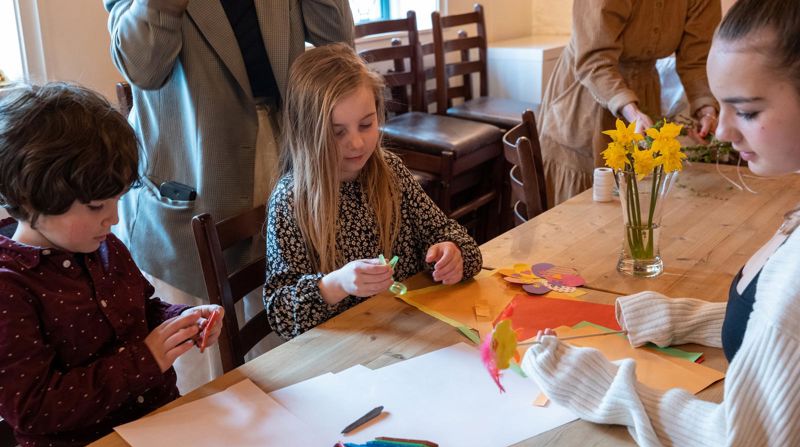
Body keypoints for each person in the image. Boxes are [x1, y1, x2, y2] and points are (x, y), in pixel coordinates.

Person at [522, 0, 800, 445]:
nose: (726, 132)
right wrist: (680, 316)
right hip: (592, 104)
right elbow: (775, 325)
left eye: (745, 111)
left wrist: (600, 386)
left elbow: (737, 435)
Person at [104, 0, 354, 390]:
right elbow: (144, 69)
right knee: (202, 365)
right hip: (192, 170)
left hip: (284, 152)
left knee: (279, 338)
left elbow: (336, 42)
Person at [0, 83, 224, 447]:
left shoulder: (102, 245)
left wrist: (182, 321)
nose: (114, 219)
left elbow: (144, 309)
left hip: (162, 426)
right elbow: (32, 408)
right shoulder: (10, 287)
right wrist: (145, 359)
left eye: (117, 201)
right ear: (30, 195)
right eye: (95, 207)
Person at [263, 43, 483, 339]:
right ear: (308, 132)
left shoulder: (389, 171)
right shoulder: (291, 200)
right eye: (337, 132)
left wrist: (453, 254)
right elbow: (280, 314)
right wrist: (336, 284)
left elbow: (451, 236)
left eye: (366, 125)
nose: (356, 144)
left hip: (409, 331)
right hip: (343, 351)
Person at [537, 0, 721, 205]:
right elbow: (595, 60)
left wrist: (706, 108)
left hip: (644, 94)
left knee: (637, 197)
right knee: (587, 202)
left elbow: (696, 59)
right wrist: (631, 112)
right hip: (587, 93)